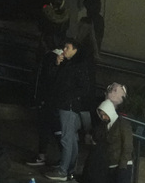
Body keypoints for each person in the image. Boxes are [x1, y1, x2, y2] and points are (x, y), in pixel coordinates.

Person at [45, 40, 91, 182]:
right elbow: (53, 78)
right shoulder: (67, 63)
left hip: (69, 106)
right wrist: (57, 64)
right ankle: (69, 169)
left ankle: (63, 170)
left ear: (75, 50)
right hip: (66, 105)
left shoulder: (78, 65)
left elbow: (84, 88)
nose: (64, 49)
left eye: (67, 47)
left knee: (67, 138)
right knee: (71, 138)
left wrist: (67, 98)